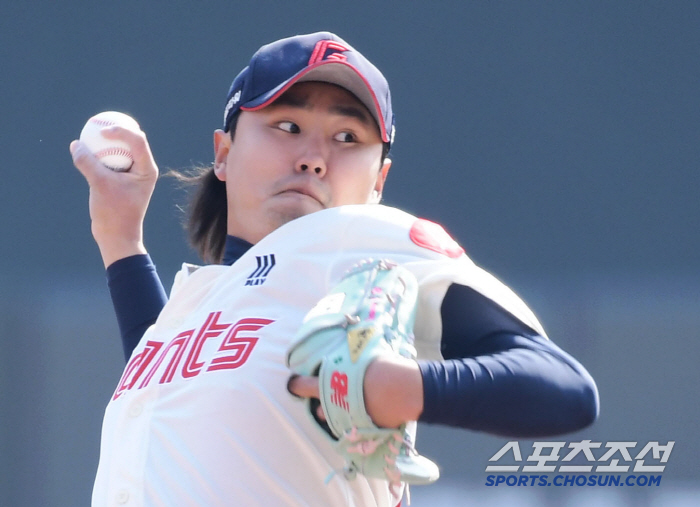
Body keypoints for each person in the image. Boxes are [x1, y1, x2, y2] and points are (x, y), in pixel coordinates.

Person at [70, 31, 599, 507]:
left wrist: (402, 387)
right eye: (288, 125)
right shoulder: (199, 299)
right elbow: (172, 411)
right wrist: (121, 240)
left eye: (348, 137)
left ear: (379, 183)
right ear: (223, 152)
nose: (314, 157)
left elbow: (562, 388)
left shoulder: (359, 241)